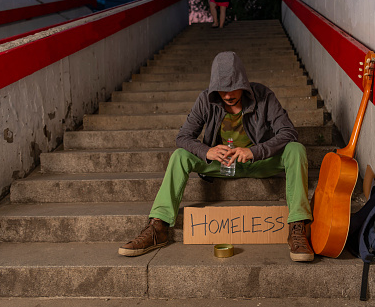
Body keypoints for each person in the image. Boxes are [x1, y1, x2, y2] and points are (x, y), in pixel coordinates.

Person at [118, 51, 314, 262]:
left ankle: (297, 227)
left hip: (258, 162)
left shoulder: (264, 96)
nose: (228, 95)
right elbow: (183, 137)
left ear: (243, 83)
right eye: (221, 90)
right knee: (180, 156)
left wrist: (254, 151)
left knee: (296, 149)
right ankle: (158, 227)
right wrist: (206, 151)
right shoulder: (205, 100)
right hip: (220, 165)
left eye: (232, 89)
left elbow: (288, 132)